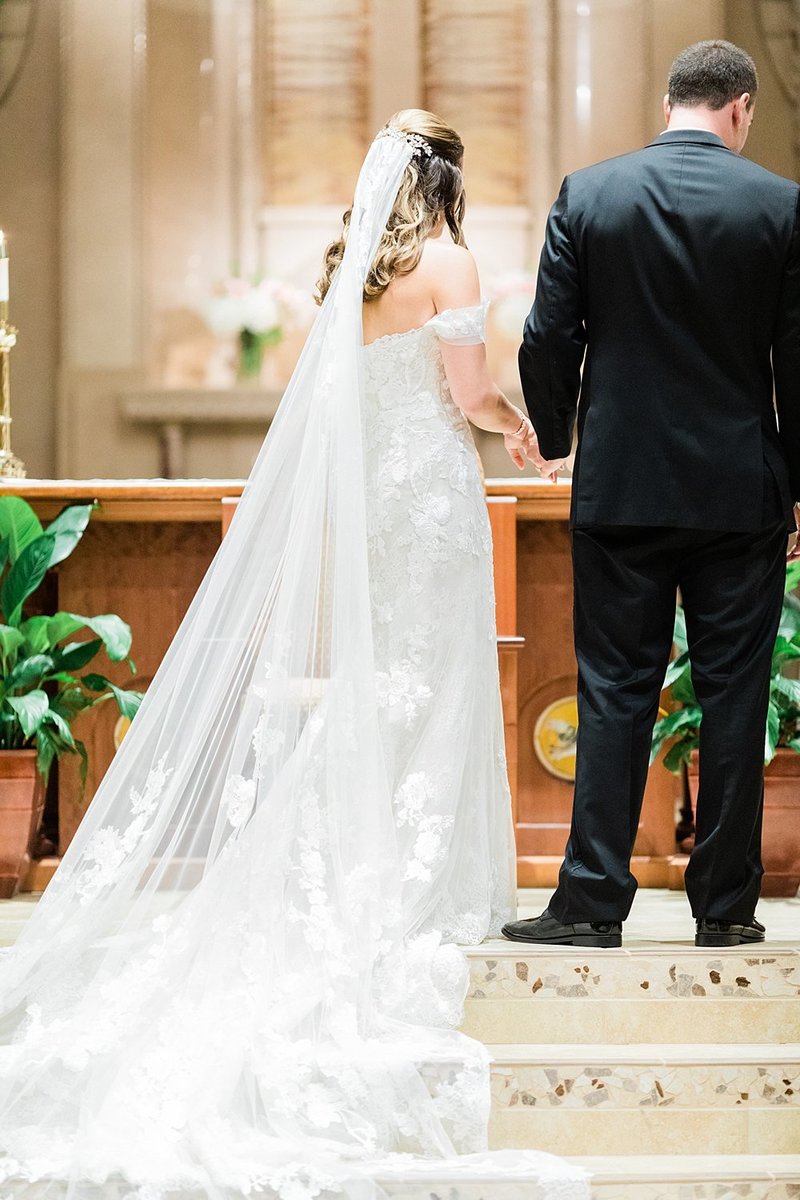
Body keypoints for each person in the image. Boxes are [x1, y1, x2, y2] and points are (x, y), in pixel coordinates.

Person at [0, 112, 585, 1199]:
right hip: (433, 502)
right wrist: (522, 430)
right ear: (446, 185)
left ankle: (358, 857)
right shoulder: (452, 259)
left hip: (377, 506)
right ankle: (420, 887)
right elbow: (461, 395)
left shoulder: (358, 270)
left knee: (385, 684)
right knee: (440, 685)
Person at [504, 39, 800, 952]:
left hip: (622, 489)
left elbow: (547, 337)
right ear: (741, 108)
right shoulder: (781, 206)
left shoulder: (589, 194)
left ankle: (592, 902)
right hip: (739, 492)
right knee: (735, 697)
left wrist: (556, 442)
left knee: (615, 691)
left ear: (670, 101)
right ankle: (725, 907)